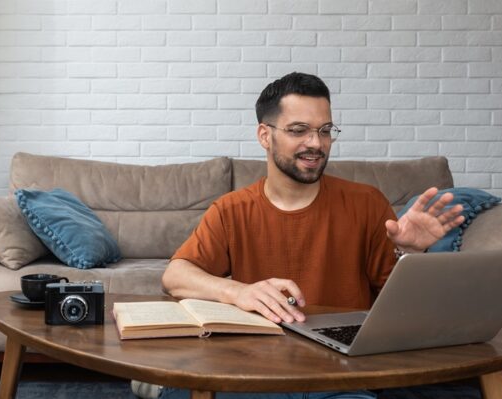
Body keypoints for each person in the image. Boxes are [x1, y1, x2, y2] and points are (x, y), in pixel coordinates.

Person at [132, 72, 464, 399]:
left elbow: (404, 309)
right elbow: (174, 276)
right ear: (265, 135)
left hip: (341, 376)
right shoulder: (231, 210)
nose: (316, 144)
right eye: (298, 131)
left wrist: (411, 255)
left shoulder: (368, 203)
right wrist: (238, 292)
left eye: (324, 130)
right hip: (257, 373)